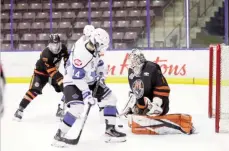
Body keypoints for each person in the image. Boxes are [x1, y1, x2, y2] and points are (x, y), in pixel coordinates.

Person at [52, 28, 126, 147]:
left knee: (110, 99)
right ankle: (59, 135)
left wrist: (101, 70)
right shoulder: (82, 54)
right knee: (77, 107)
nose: (103, 48)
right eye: (102, 46)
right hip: (73, 81)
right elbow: (77, 78)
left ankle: (110, 130)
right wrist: (86, 94)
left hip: (89, 79)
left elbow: (96, 61)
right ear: (97, 43)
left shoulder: (92, 45)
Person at [122, 48, 193, 135]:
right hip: (145, 101)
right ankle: (140, 110)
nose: (132, 64)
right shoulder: (131, 72)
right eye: (131, 61)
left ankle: (155, 109)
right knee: (135, 104)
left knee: (154, 104)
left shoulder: (152, 68)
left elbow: (163, 88)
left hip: (159, 103)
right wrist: (133, 106)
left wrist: (156, 104)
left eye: (134, 61)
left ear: (140, 60)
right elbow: (136, 92)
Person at [14, 34, 69, 121]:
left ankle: (60, 108)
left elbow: (67, 57)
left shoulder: (63, 48)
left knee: (67, 87)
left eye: (57, 44)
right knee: (34, 91)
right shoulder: (45, 54)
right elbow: (53, 72)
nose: (55, 47)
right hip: (41, 74)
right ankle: (20, 110)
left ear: (60, 43)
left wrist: (68, 65)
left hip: (53, 72)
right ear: (49, 44)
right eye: (52, 44)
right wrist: (61, 80)